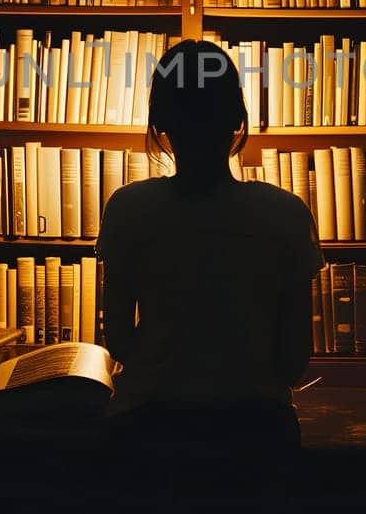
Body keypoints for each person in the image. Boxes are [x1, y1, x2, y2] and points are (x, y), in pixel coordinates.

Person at [94, 39, 324, 509]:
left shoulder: (128, 209)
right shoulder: (286, 214)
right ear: (237, 119)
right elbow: (294, 358)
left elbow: (117, 338)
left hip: (147, 433)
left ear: (160, 123)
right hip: (257, 437)